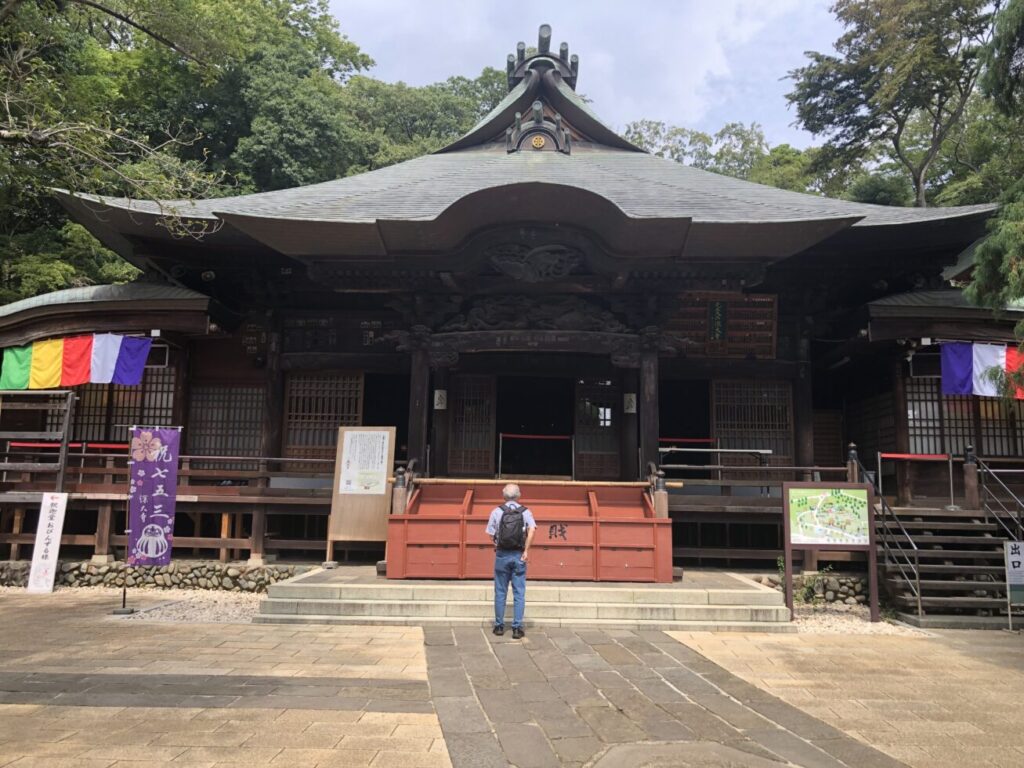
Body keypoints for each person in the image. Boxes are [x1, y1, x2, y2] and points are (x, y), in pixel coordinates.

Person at [485, 483, 537, 639]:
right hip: (518, 555)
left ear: (503, 495)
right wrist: (526, 550)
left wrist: (497, 544)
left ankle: (499, 626)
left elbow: (490, 533)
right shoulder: (525, 512)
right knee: (519, 593)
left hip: (502, 555)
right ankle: (516, 628)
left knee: (500, 591)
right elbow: (532, 529)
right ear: (519, 495)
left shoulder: (497, 511)